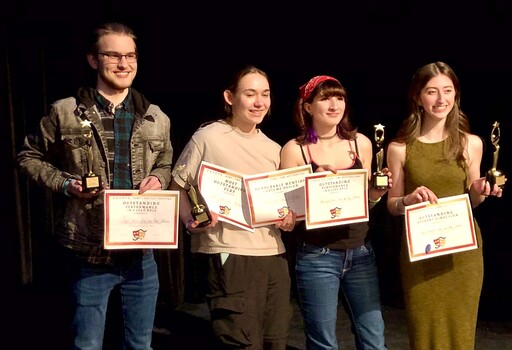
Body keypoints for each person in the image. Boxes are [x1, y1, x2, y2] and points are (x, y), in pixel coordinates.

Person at [16, 22, 173, 349]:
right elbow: (28, 157)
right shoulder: (65, 112)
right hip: (88, 250)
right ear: (93, 60)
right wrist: (66, 184)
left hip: (140, 252)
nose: (123, 64)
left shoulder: (156, 116)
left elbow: (165, 164)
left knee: (141, 344)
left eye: (130, 55)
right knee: (86, 344)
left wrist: (159, 178)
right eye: (113, 55)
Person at [170, 65, 297, 350]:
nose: (259, 102)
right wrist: (192, 220)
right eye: (250, 94)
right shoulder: (208, 137)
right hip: (230, 252)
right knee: (240, 340)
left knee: (275, 339)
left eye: (265, 94)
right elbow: (178, 187)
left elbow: (285, 204)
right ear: (229, 97)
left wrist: (289, 218)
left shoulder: (273, 147)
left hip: (273, 254)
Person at [386, 61, 504, 350]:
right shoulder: (400, 148)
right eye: (432, 91)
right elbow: (391, 204)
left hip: (463, 255)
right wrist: (407, 201)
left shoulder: (471, 143)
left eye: (447, 91)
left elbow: (471, 202)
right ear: (418, 97)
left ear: (456, 95)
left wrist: (480, 190)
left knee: (461, 334)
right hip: (421, 253)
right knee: (424, 333)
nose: (441, 100)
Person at [280, 75, 390, 350]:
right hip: (317, 255)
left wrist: (375, 195)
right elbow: (288, 215)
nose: (334, 104)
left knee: (373, 339)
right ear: (307, 107)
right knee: (322, 343)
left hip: (361, 252)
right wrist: (313, 187)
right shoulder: (295, 150)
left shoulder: (361, 144)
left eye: (339, 97)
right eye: (325, 98)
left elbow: (366, 203)